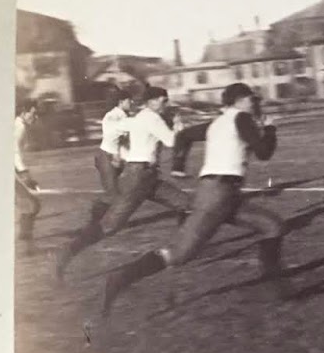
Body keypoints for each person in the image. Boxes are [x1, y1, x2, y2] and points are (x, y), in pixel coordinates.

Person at [98, 83, 286, 319]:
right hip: (217, 195)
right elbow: (264, 153)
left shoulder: (219, 122)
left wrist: (178, 167)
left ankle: (276, 288)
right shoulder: (241, 117)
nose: (254, 103)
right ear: (240, 100)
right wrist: (270, 130)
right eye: (251, 99)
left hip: (222, 193)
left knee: (272, 225)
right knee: (178, 254)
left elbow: (185, 136)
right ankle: (120, 278)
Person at [53, 86, 190, 281]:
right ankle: (66, 252)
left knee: (185, 203)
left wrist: (116, 152)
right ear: (152, 101)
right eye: (163, 100)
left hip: (147, 175)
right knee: (110, 226)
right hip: (138, 177)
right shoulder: (151, 117)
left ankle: (183, 247)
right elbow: (170, 141)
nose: (165, 104)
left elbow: (115, 130)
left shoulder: (140, 116)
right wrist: (178, 125)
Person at [14, 99, 42, 252]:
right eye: (33, 113)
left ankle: (25, 238)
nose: (35, 117)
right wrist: (24, 173)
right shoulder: (20, 127)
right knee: (31, 205)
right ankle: (27, 244)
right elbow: (13, 151)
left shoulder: (19, 125)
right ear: (24, 113)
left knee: (30, 205)